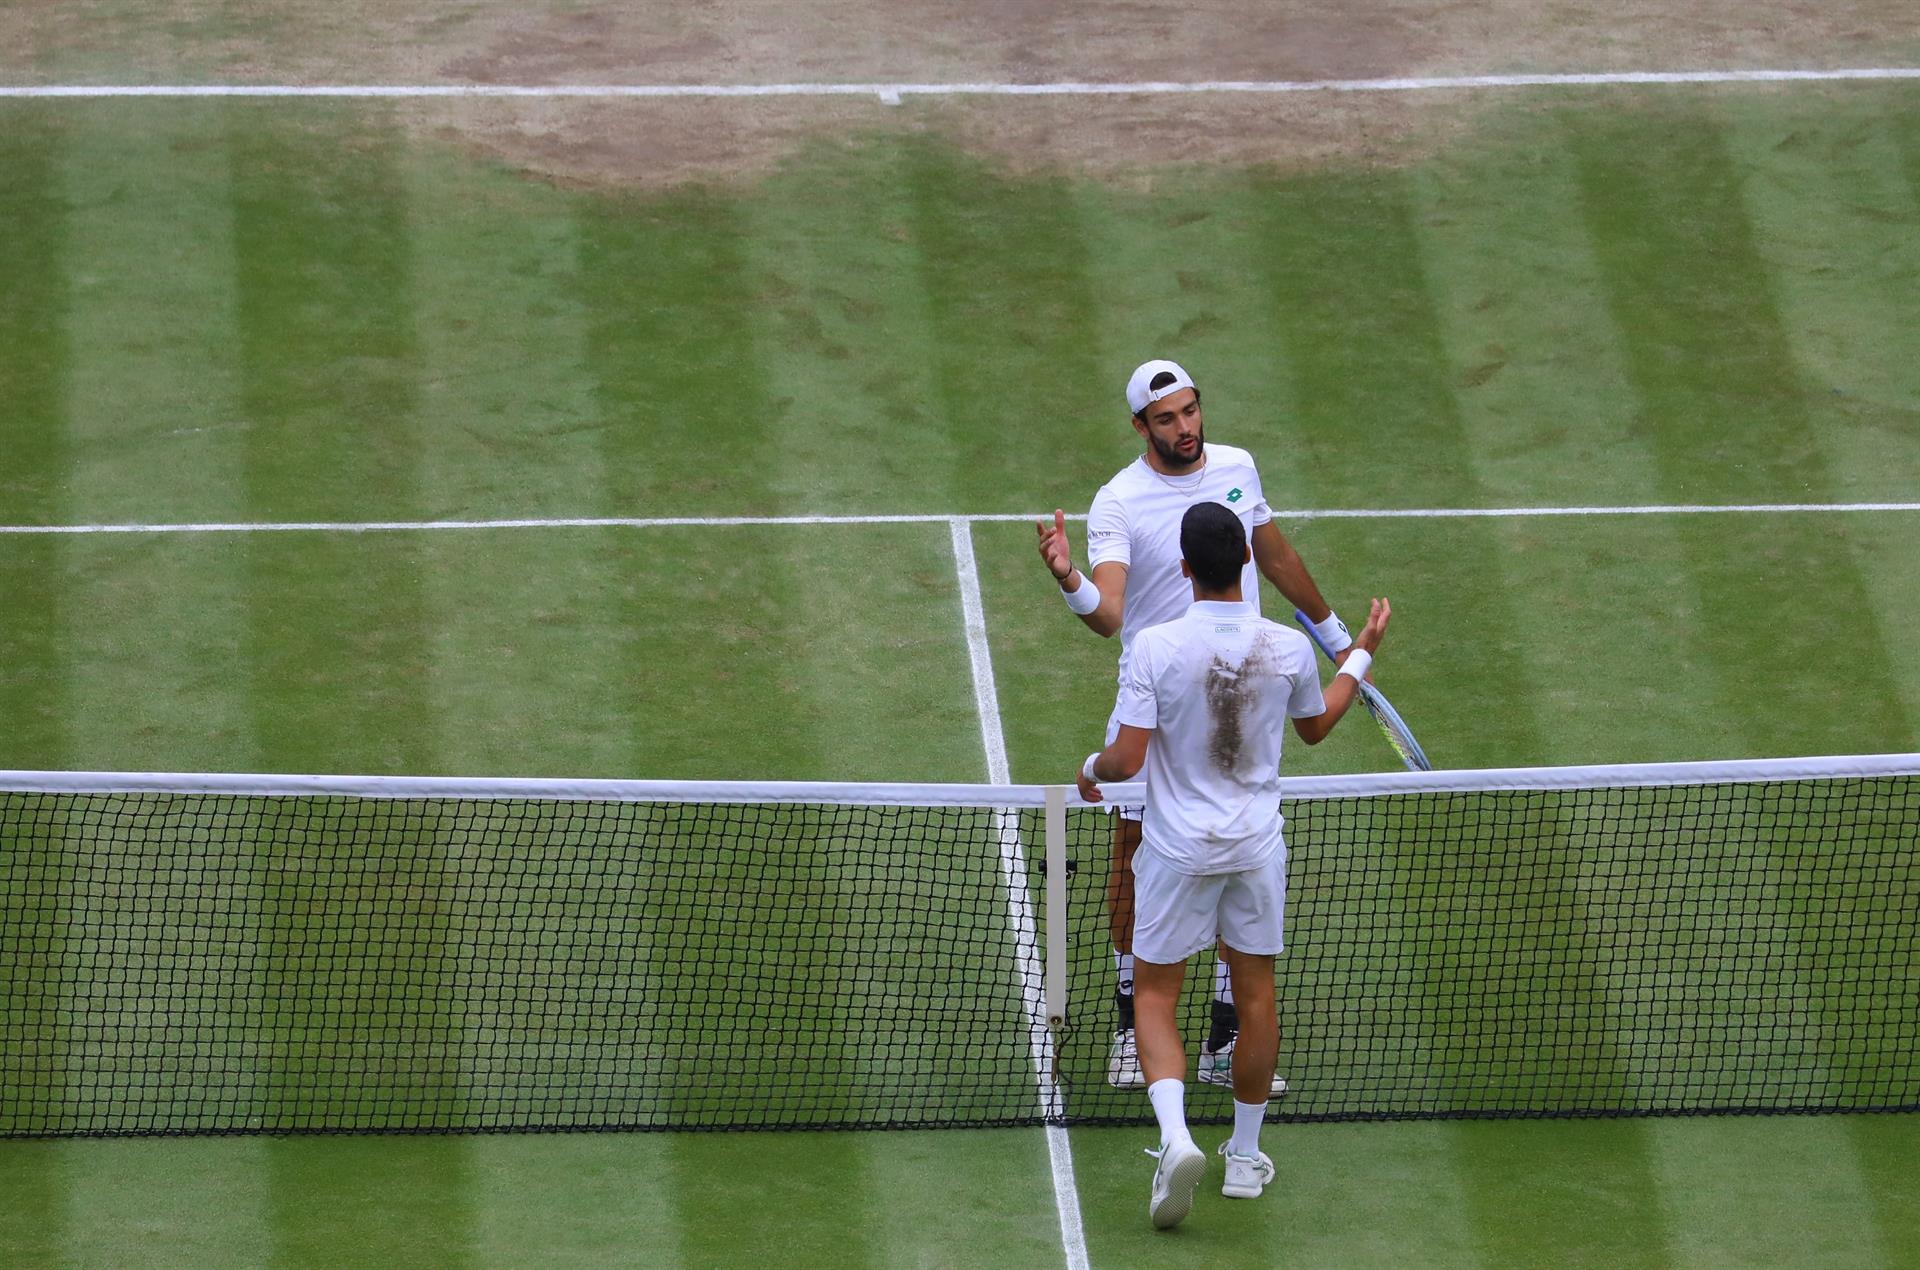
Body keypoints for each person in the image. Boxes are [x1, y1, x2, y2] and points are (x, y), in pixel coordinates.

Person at [1036, 358, 1357, 1091]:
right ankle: (1130, 1026)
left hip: (1240, 696)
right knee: (1133, 857)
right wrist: (1068, 578)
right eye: (1166, 419)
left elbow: (1275, 556)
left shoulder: (1238, 467)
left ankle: (1223, 1034)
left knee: (1239, 853)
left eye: (1189, 411)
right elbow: (1108, 614)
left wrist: (1337, 638)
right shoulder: (1118, 501)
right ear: (1139, 426)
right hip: (1159, 700)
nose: (1184, 427)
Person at [1073, 501, 1389, 1229]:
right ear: (1247, 559)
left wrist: (1090, 769)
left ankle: (1177, 1138)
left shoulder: (1155, 647)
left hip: (1175, 851)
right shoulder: (1288, 647)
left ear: (1184, 568)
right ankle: (1243, 1157)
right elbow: (1316, 727)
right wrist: (1361, 653)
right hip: (1255, 850)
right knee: (1256, 1000)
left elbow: (1125, 760)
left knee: (1155, 997)